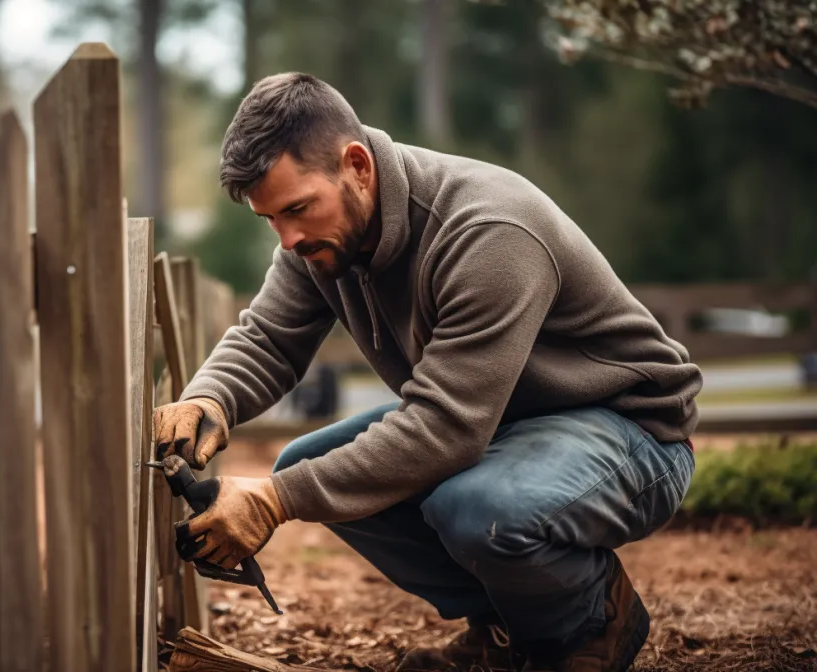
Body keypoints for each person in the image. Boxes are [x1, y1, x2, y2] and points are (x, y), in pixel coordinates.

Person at [152, 72, 702, 672]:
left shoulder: (488, 232)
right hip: (505, 427)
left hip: (629, 432)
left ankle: (588, 624)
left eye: (296, 210)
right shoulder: (319, 237)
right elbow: (269, 338)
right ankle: (505, 624)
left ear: (357, 165)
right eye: (271, 220)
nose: (286, 240)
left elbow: (445, 429)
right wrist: (209, 400)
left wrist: (275, 502)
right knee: (307, 467)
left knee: (476, 507)